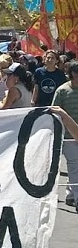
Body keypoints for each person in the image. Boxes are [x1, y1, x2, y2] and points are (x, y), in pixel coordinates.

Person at [52, 62, 78, 208]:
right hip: (66, 136)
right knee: (74, 165)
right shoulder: (62, 91)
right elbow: (54, 111)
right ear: (74, 74)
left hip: (76, 135)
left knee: (75, 166)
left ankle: (71, 194)